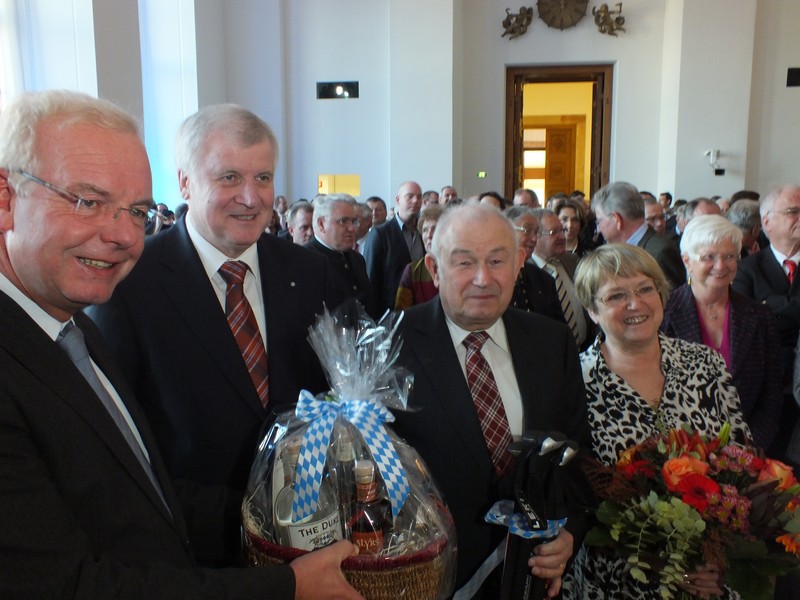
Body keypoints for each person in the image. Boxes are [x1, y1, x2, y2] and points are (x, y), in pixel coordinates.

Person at [0, 90, 360, 599]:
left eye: (135, 211)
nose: (122, 234)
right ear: (5, 199)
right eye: (88, 201)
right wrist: (285, 588)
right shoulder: (118, 294)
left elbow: (134, 489)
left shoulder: (70, 326)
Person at [87, 104, 338, 566]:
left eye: (263, 178)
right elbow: (117, 445)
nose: (250, 197)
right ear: (184, 182)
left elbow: (328, 393)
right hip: (189, 552)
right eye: (228, 178)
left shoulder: (309, 272)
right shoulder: (128, 285)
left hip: (306, 538)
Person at [391, 203, 590, 599]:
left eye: (496, 260)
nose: (483, 279)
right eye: (464, 262)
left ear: (518, 263)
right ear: (434, 268)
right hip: (434, 581)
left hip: (532, 577)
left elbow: (578, 454)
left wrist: (570, 535)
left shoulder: (552, 342)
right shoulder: (390, 347)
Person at [564, 244, 751, 600]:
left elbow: (741, 461)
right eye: (617, 295)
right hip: (616, 581)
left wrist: (715, 559)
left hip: (709, 578)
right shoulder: (574, 381)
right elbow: (574, 496)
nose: (635, 304)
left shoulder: (705, 364)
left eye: (645, 289)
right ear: (592, 310)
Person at [661, 215, 782, 449]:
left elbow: (772, 395)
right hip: (679, 452)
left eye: (729, 256)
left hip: (748, 453)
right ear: (687, 261)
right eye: (709, 257)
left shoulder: (759, 316)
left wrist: (750, 447)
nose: (721, 265)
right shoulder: (664, 314)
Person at [733, 185, 800, 462]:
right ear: (767, 222)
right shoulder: (746, 268)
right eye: (793, 211)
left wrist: (769, 307)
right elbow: (746, 324)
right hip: (763, 390)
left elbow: (761, 316)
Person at [591, 181, 686, 289]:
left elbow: (676, 301)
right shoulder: (618, 248)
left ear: (617, 219)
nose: (598, 229)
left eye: (599, 221)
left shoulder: (659, 252)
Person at [306, 194, 378, 319]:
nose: (352, 228)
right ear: (321, 224)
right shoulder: (305, 260)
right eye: (343, 221)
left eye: (353, 221)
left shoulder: (357, 259)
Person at [363, 180, 424, 313]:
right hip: (391, 312)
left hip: (421, 309)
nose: (415, 200)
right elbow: (371, 279)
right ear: (398, 200)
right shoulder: (381, 234)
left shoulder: (424, 232)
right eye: (410, 196)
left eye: (419, 197)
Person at [505, 205, 566, 323]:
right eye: (527, 230)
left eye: (536, 232)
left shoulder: (544, 279)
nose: (533, 239)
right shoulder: (493, 279)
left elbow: (559, 326)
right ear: (506, 230)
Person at [394, 204, 443, 310]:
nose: (429, 235)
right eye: (425, 230)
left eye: (435, 229)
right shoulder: (412, 271)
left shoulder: (459, 266)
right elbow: (401, 314)